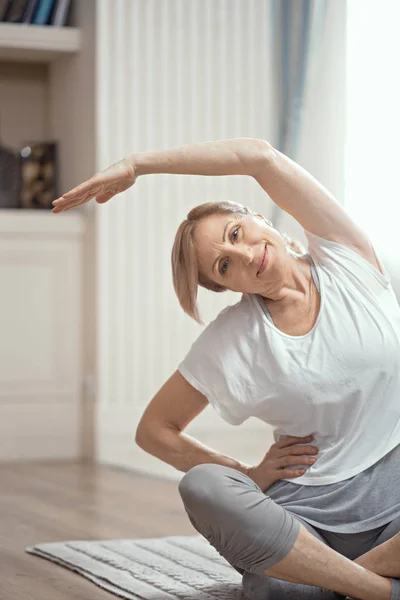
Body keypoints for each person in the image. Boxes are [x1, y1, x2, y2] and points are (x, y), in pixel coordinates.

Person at [52, 138, 400, 600]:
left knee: (280, 589)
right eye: (223, 266)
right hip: (306, 518)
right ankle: (373, 588)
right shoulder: (234, 337)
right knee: (204, 485)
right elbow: (155, 429)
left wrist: (138, 164)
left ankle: (338, 582)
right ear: (225, 285)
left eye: (235, 233)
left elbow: (259, 156)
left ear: (257, 216)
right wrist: (248, 473)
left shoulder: (346, 256)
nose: (242, 255)